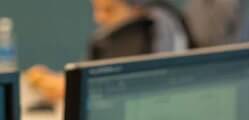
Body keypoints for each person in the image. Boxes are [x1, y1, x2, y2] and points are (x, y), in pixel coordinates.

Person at [25, 0, 188, 104]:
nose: (99, 18)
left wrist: (64, 87)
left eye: (109, 10)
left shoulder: (138, 36)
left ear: (136, 8)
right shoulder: (105, 39)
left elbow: (108, 89)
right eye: (96, 9)